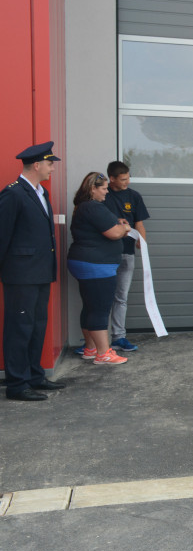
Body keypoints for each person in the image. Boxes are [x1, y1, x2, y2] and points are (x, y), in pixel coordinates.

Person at [0, 142, 65, 400]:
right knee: (19, 328)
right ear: (36, 165)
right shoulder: (14, 193)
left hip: (40, 272)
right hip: (21, 275)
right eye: (50, 164)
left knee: (37, 326)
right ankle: (17, 385)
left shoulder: (41, 192)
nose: (52, 168)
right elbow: (2, 235)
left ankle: (35, 377)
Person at [68, 172, 132, 365]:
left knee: (90, 306)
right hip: (97, 266)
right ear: (92, 189)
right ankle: (103, 354)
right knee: (100, 309)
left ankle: (91, 348)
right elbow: (113, 233)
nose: (106, 192)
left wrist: (117, 224)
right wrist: (124, 228)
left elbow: (104, 226)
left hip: (86, 263)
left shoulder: (84, 207)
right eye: (103, 188)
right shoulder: (93, 207)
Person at [103, 160, 149, 352]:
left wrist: (142, 242)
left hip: (127, 253)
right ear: (111, 179)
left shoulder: (134, 196)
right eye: (123, 179)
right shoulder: (102, 194)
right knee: (101, 296)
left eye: (128, 178)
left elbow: (139, 224)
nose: (127, 182)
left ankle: (118, 337)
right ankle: (95, 341)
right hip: (104, 255)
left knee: (121, 297)